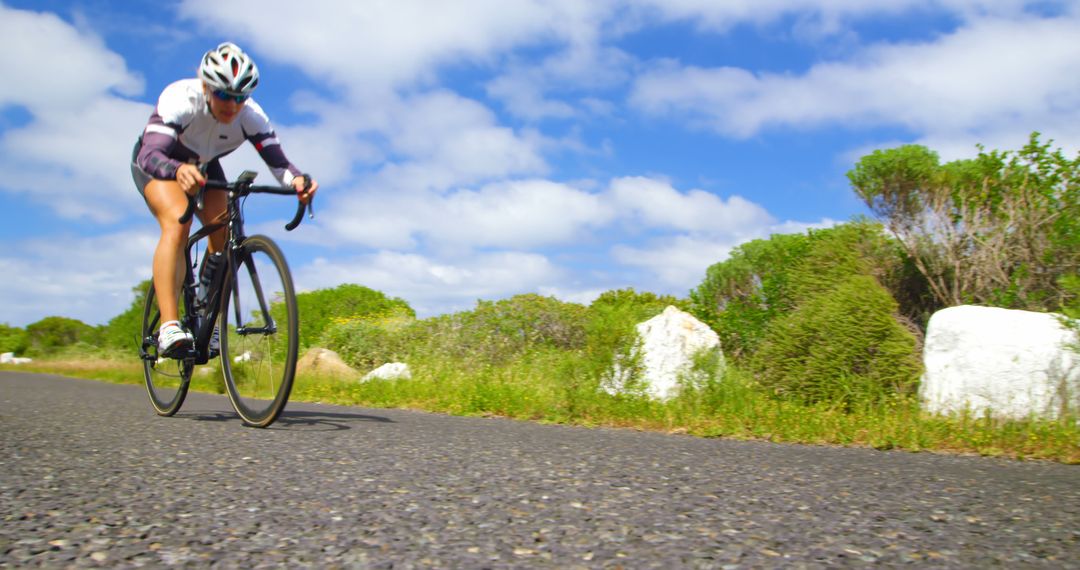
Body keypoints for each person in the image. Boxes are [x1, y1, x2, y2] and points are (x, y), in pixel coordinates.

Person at [131, 42, 318, 356]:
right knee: (179, 221)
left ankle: (208, 311)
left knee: (226, 235)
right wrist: (177, 171)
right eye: (223, 95)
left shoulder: (252, 116)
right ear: (205, 86)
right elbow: (151, 154)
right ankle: (169, 326)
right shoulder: (180, 99)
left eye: (240, 98)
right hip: (160, 164)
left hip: (204, 166)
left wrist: (298, 180)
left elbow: (280, 164)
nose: (232, 105)